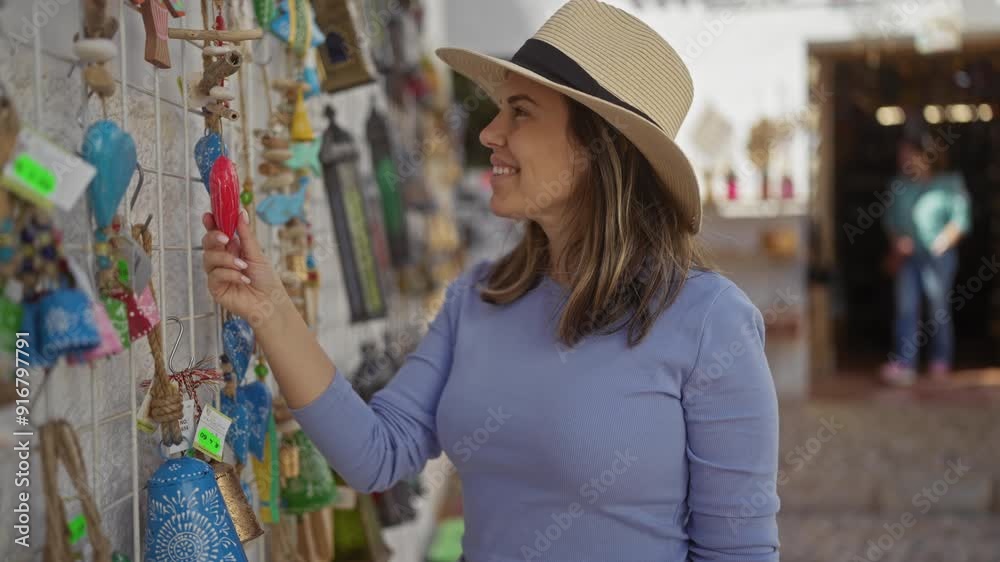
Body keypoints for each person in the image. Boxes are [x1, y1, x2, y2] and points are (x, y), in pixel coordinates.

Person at [200, 1, 780, 560]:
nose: (489, 133)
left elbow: (739, 551)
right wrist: (270, 308)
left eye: (521, 111)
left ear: (599, 147)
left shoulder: (710, 321)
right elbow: (376, 454)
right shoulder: (478, 297)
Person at [881, 134, 972, 386]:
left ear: (925, 156)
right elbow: (889, 221)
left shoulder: (949, 183)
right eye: (902, 155)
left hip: (938, 257)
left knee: (938, 308)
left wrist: (943, 241)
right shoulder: (898, 185)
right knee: (906, 308)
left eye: (909, 153)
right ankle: (905, 363)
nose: (904, 159)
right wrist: (898, 242)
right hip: (908, 257)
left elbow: (961, 220)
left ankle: (940, 360)